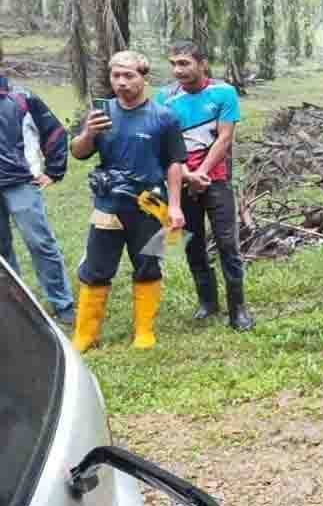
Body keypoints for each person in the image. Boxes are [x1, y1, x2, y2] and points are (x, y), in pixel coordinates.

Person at [69, 51, 186, 352]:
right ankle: (85, 334)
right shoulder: (101, 112)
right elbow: (78, 152)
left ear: (143, 77)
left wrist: (174, 206)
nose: (121, 82)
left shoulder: (165, 117)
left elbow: (174, 164)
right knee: (96, 267)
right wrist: (88, 133)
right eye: (115, 76)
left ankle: (144, 331)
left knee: (149, 263)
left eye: (129, 76)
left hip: (149, 204)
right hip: (108, 204)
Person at [155, 40, 253, 331]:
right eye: (173, 64)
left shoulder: (223, 93)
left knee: (227, 243)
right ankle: (207, 302)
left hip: (216, 179)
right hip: (181, 180)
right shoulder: (164, 98)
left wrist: (202, 173)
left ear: (202, 64)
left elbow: (225, 138)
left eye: (184, 63)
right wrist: (187, 176)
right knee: (192, 243)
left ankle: (238, 308)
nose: (177, 70)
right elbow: (166, 145)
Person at [0, 75, 75, 326]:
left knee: (39, 242)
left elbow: (54, 131)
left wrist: (53, 170)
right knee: (2, 250)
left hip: (22, 182)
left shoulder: (22, 97)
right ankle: (16, 306)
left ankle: (62, 304)